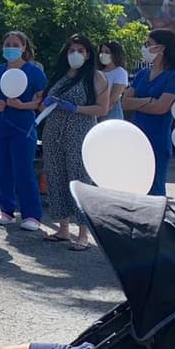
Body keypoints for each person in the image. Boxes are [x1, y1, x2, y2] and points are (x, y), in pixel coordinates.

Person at [40, 34, 110, 250]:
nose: (76, 54)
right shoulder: (61, 75)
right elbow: (42, 106)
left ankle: (83, 233)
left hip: (79, 133)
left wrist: (77, 108)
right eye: (72, 50)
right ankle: (63, 228)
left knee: (79, 179)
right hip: (54, 133)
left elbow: (102, 108)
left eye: (81, 50)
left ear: (88, 54)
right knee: (56, 175)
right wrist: (47, 102)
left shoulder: (96, 77)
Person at [0, 30, 45, 232]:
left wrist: (22, 105)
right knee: (2, 168)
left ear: (24, 48)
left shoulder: (34, 72)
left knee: (23, 169)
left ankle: (32, 215)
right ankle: (6, 211)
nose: (10, 48)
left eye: (15, 44)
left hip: (23, 127)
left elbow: (40, 101)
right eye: (7, 44)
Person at [121, 28, 175, 195]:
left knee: (154, 189)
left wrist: (140, 103)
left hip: (157, 140)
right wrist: (148, 101)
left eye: (148, 44)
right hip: (136, 137)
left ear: (161, 48)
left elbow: (161, 108)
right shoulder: (143, 74)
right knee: (134, 187)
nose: (145, 48)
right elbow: (125, 103)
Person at [97, 40, 129, 119]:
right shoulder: (98, 72)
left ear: (115, 54)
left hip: (111, 115)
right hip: (96, 110)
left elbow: (113, 99)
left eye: (107, 52)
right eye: (102, 51)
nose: (103, 54)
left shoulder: (120, 72)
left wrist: (96, 115)